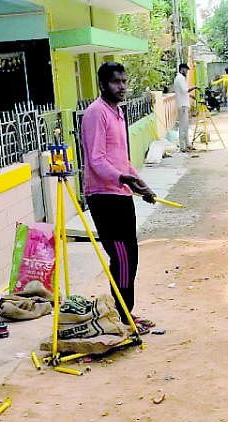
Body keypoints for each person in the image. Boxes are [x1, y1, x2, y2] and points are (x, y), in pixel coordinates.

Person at [81, 62, 158, 331]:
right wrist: (124, 179)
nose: (122, 87)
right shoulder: (95, 114)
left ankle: (125, 312)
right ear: (102, 84)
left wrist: (139, 183)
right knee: (122, 255)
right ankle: (124, 315)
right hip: (103, 195)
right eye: (116, 82)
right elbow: (96, 159)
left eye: (124, 81)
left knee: (131, 255)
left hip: (121, 193)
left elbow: (121, 159)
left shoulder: (118, 112)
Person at [172, 64, 196, 151]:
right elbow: (185, 90)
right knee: (183, 126)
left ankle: (187, 144)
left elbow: (183, 92)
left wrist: (190, 96)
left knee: (185, 126)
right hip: (182, 105)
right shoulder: (180, 78)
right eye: (186, 70)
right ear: (182, 69)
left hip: (184, 104)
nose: (186, 72)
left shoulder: (180, 78)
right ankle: (183, 146)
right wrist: (195, 87)